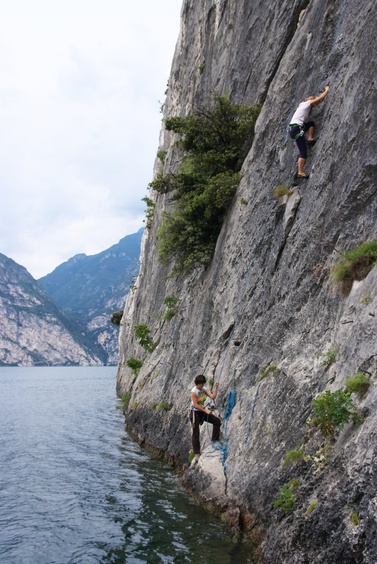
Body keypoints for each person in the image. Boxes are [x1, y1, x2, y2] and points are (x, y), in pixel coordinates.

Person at [288, 85, 330, 178]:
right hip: (296, 130)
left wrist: (320, 98)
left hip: (296, 130)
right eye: (313, 101)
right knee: (303, 152)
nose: (314, 105)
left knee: (310, 124)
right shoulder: (306, 104)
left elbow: (319, 100)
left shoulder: (303, 106)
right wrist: (326, 90)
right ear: (309, 100)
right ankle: (300, 172)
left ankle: (310, 138)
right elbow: (320, 98)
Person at [190, 375, 221, 463]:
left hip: (202, 411)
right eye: (200, 384)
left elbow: (213, 396)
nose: (202, 386)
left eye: (203, 384)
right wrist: (205, 411)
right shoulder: (194, 392)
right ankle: (196, 453)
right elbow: (195, 405)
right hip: (195, 413)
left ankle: (215, 441)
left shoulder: (204, 389)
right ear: (197, 384)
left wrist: (216, 388)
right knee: (196, 433)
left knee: (217, 421)